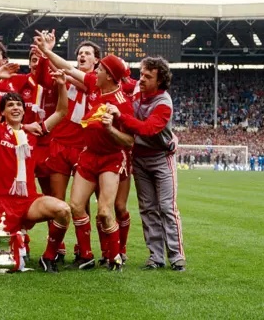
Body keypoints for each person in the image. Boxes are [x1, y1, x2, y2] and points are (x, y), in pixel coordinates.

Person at [0, 62, 72, 273]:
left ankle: (49, 257)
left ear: (24, 112)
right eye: (10, 105)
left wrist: (61, 85)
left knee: (63, 209)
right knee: (3, 268)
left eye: (19, 105)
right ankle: (10, 244)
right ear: (3, 112)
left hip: (29, 201)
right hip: (4, 204)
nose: (16, 107)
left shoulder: (34, 133)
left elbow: (62, 111)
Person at [50, 49, 134, 272]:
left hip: (110, 159)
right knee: (76, 205)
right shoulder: (94, 85)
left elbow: (128, 141)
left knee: (106, 212)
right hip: (88, 155)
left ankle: (115, 257)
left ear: (109, 74)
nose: (95, 71)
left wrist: (109, 128)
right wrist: (45, 50)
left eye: (100, 69)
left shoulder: (123, 103)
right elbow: (68, 68)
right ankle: (86, 255)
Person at [107, 56, 186, 271]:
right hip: (140, 158)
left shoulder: (163, 102)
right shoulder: (136, 89)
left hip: (161, 158)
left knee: (167, 208)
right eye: (141, 74)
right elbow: (120, 78)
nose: (141, 79)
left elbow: (147, 129)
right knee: (148, 208)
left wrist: (120, 116)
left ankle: (177, 256)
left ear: (159, 81)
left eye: (148, 76)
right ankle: (156, 257)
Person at [32, 38, 101, 263]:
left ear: (97, 60)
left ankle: (84, 250)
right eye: (80, 52)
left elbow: (70, 72)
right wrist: (46, 54)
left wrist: (52, 58)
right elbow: (45, 77)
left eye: (88, 53)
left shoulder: (97, 82)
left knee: (81, 203)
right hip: (60, 144)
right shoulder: (65, 77)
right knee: (57, 199)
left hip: (84, 148)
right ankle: (58, 248)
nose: (82, 55)